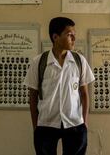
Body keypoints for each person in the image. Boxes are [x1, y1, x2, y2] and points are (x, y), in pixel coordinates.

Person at [23, 17, 95, 155]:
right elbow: (33, 97)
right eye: (69, 34)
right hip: (46, 123)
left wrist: (84, 123)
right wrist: (36, 126)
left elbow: (85, 94)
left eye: (74, 34)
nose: (74, 38)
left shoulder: (79, 61)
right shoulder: (39, 62)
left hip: (74, 123)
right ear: (55, 37)